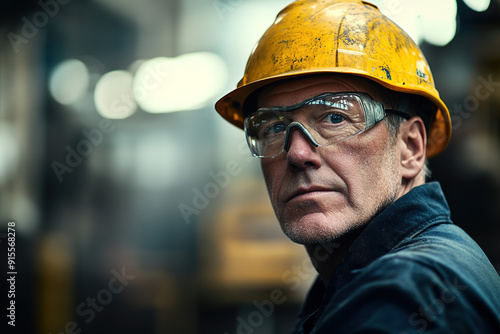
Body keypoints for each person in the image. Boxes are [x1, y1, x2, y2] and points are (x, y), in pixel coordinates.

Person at [215, 0, 500, 333]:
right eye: (274, 127)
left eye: (335, 117)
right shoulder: (376, 279)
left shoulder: (405, 293)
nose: (297, 153)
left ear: (410, 148)